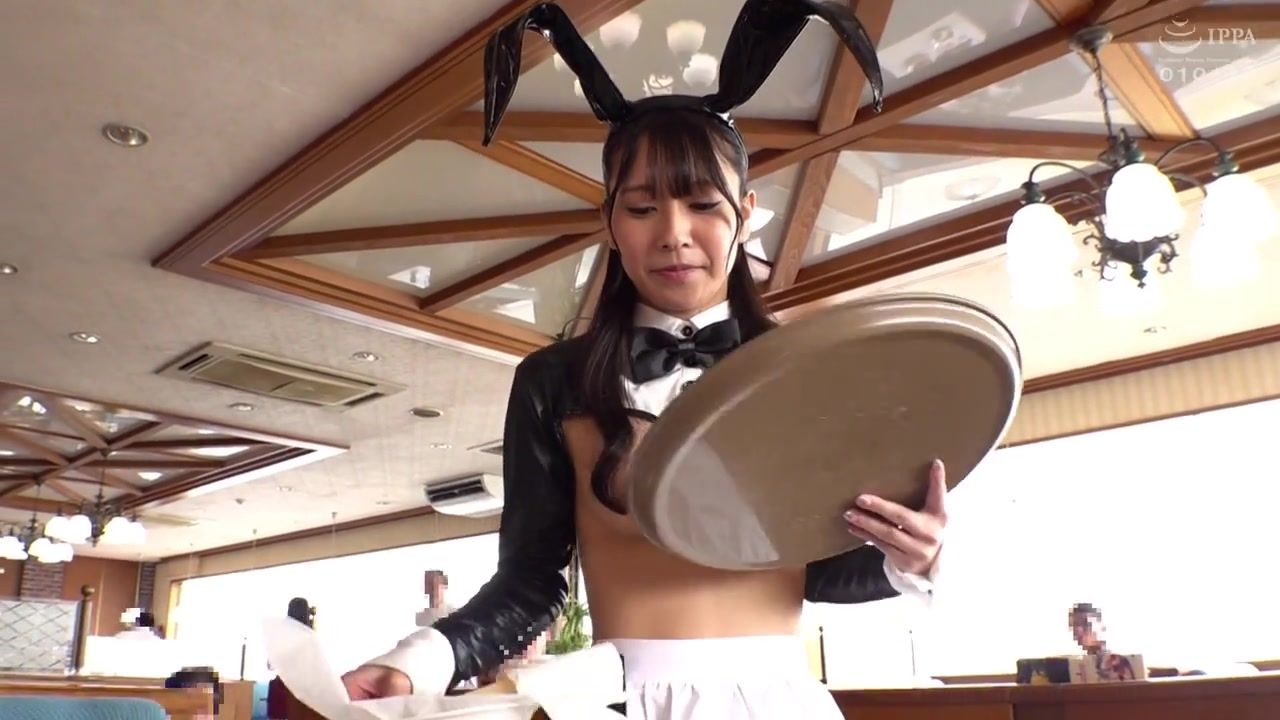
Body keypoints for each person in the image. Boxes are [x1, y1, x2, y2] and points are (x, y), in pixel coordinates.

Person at [341, 2, 947, 716]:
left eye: (703, 205)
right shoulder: (552, 382)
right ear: (609, 222)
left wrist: (913, 555)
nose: (673, 233)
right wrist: (416, 661)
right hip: (626, 701)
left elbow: (819, 567)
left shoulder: (803, 371)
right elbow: (531, 582)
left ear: (746, 212)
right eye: (641, 207)